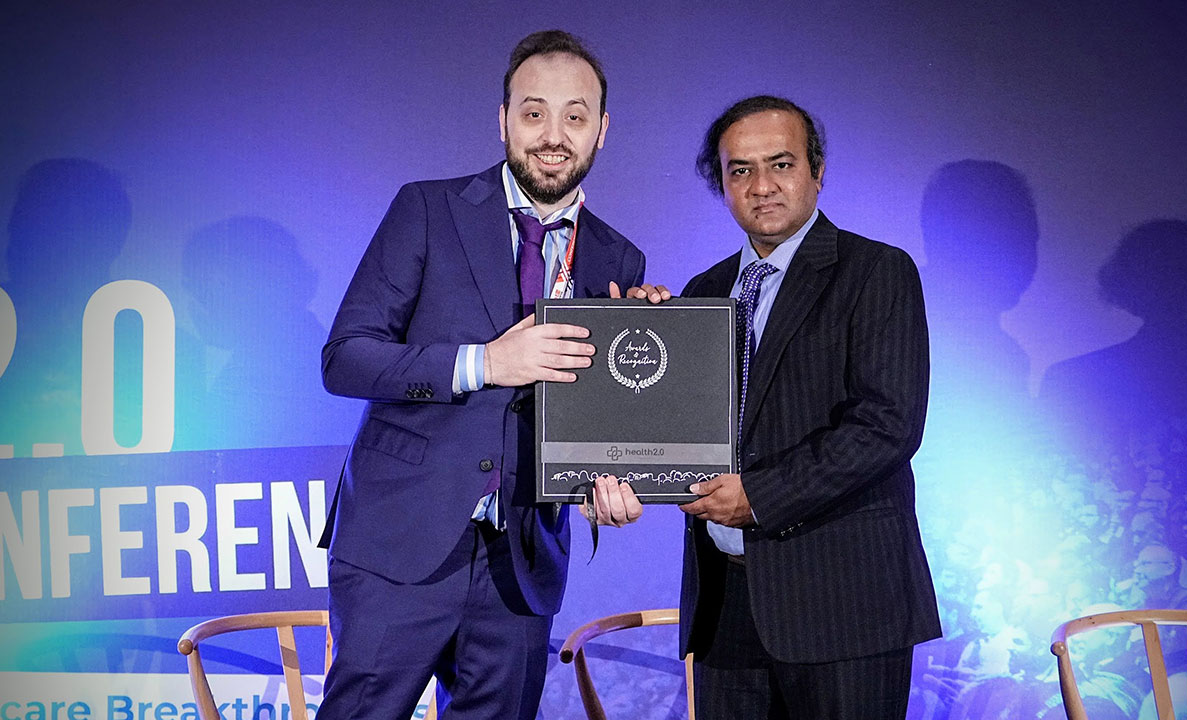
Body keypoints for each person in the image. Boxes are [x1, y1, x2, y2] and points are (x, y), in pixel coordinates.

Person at [316, 30, 646, 719]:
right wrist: (485, 362)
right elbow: (346, 355)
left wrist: (601, 484)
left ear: (602, 130)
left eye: (575, 116)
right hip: (398, 545)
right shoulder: (428, 210)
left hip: (522, 564)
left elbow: (592, 413)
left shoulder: (618, 259)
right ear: (502, 119)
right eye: (533, 113)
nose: (553, 135)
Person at [594, 95, 940, 718]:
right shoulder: (702, 292)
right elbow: (679, 432)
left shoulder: (877, 271)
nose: (761, 187)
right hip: (726, 604)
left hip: (844, 605)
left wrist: (760, 496)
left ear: (817, 169)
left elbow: (887, 424)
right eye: (740, 170)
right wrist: (641, 333)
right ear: (721, 184)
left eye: (780, 164)